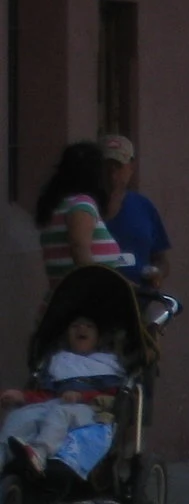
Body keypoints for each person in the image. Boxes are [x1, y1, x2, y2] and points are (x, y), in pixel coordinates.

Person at [1, 316, 124, 473]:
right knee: (19, 416)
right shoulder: (59, 361)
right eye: (75, 326)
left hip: (90, 409)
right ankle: (2, 455)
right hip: (56, 401)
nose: (82, 329)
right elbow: (46, 395)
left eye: (88, 326)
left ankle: (40, 452)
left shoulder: (107, 364)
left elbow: (113, 395)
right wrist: (23, 396)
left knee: (60, 413)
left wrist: (81, 396)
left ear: (97, 337)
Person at [33, 143, 127, 285]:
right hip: (85, 303)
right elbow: (79, 248)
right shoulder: (82, 205)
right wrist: (97, 288)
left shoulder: (58, 205)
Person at [97, 137, 168, 291]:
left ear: (131, 167)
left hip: (140, 304)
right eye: (107, 167)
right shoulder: (86, 209)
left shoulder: (144, 207)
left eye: (118, 166)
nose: (112, 175)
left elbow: (161, 258)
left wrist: (157, 273)